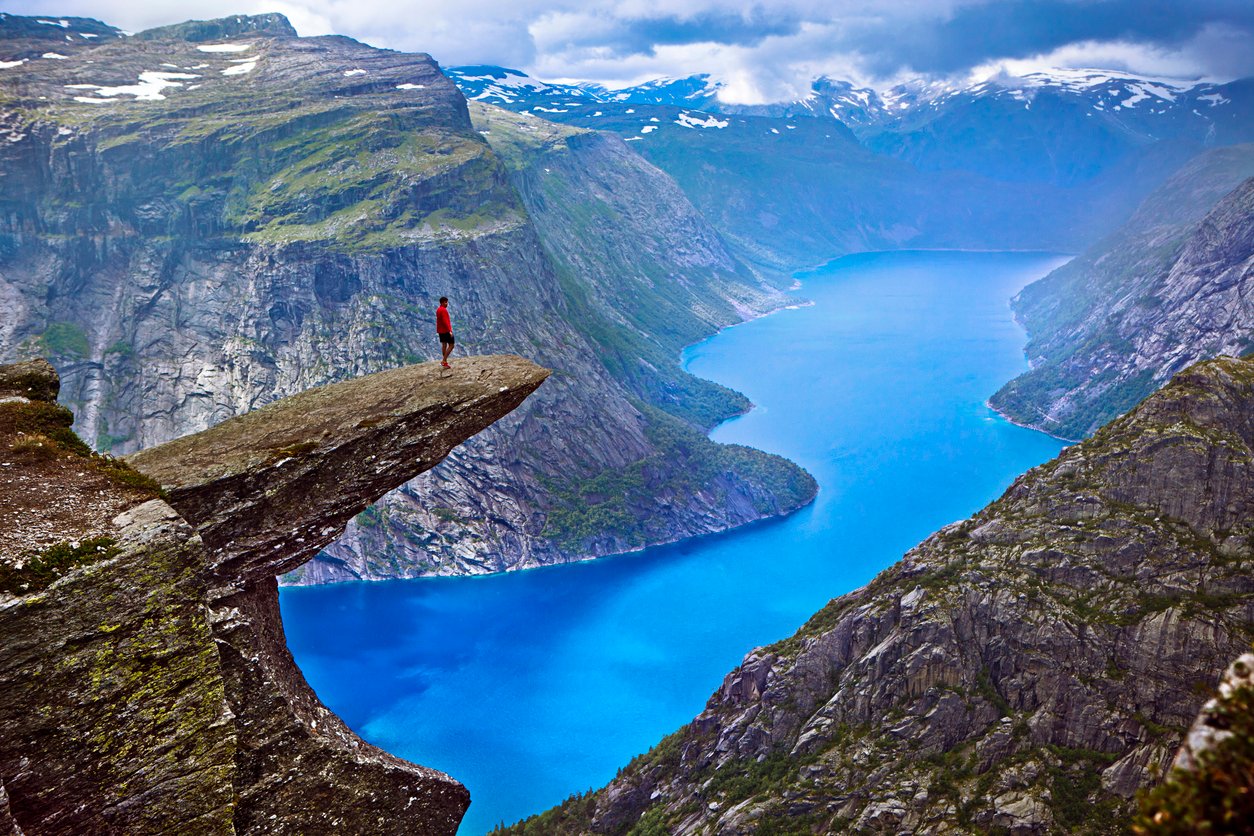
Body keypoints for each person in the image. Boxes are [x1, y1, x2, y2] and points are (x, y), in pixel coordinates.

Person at [436, 296, 454, 368]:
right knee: (451, 345)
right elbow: (445, 321)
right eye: (446, 302)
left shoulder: (438, 310)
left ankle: (445, 361)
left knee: (444, 345)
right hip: (446, 330)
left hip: (440, 331)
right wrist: (449, 330)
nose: (447, 304)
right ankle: (444, 361)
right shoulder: (443, 310)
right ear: (443, 302)